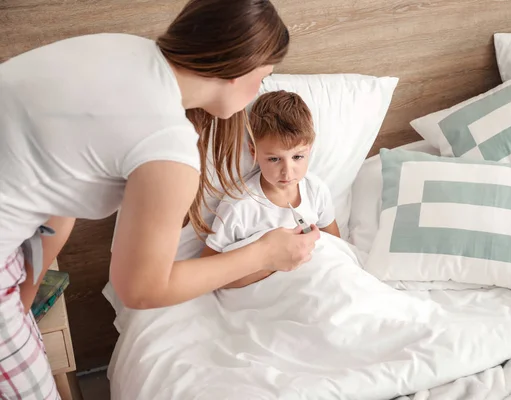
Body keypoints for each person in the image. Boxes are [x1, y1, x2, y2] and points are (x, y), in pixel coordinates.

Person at [0, 0, 321, 398]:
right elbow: (142, 289)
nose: (261, 89)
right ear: (239, 70)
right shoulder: (168, 150)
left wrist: (20, 302)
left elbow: (58, 196)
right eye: (264, 76)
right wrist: (265, 254)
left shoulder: (120, 49)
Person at [201, 90, 340, 288]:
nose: (287, 172)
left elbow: (336, 247)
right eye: (274, 159)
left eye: (298, 157)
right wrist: (271, 265)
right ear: (253, 151)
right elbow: (209, 273)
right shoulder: (240, 206)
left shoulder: (315, 190)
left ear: (309, 149)